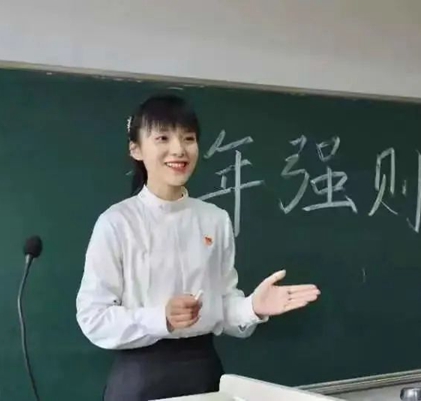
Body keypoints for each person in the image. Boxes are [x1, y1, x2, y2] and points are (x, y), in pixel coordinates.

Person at [76, 94, 321, 401]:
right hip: (140, 375)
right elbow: (94, 318)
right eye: (163, 138)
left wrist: (253, 307)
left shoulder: (215, 219)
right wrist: (161, 318)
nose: (179, 149)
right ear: (136, 149)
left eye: (188, 138)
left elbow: (223, 306)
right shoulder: (117, 223)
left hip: (203, 371)